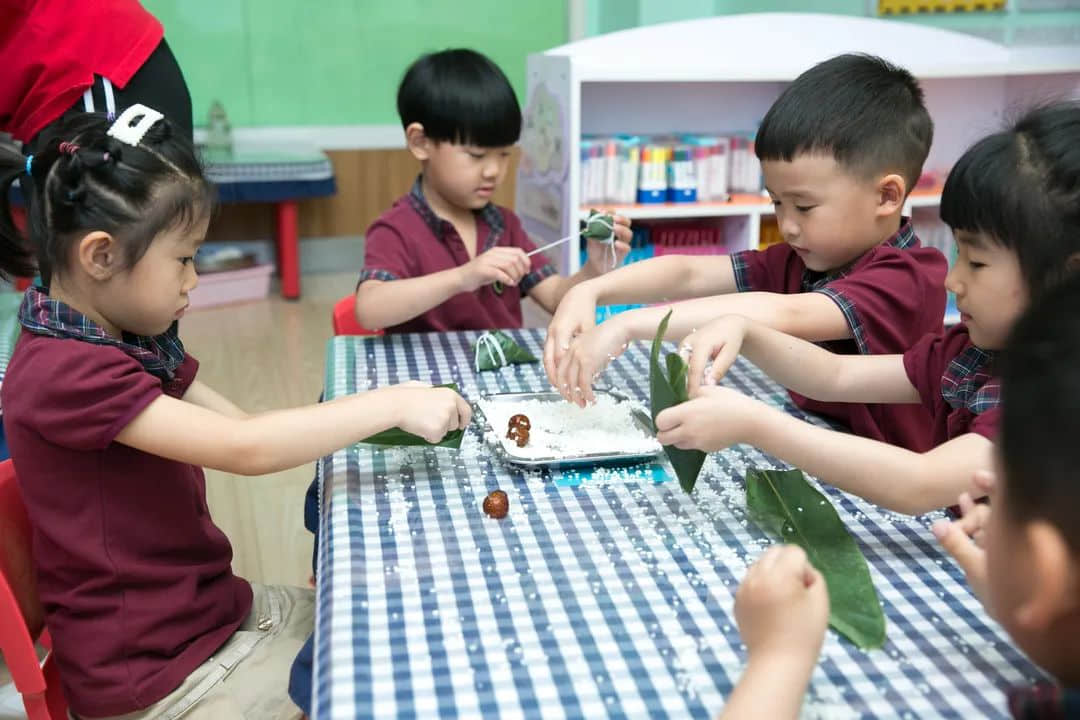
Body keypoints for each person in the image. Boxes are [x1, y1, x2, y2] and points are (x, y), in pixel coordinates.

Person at [0, 106, 470, 720]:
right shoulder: (66, 372)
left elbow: (243, 424)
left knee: (394, 630)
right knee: (392, 689)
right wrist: (393, 402)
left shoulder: (117, 335)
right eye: (184, 259)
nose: (193, 279)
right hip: (157, 677)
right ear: (100, 255)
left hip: (210, 617)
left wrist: (364, 416)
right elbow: (245, 447)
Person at [658, 102, 1080, 515]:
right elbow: (835, 376)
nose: (954, 280)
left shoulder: (1050, 403)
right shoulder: (973, 357)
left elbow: (921, 483)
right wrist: (743, 329)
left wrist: (756, 425)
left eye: (979, 262)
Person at [545, 53, 945, 453]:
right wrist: (590, 292)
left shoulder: (908, 277)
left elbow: (789, 313)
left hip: (886, 473)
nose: (787, 225)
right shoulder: (803, 255)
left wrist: (625, 324)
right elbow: (687, 274)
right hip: (816, 447)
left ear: (886, 195)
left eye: (803, 206)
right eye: (776, 203)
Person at [354, 48, 630, 334]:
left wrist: (594, 268)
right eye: (476, 155)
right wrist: (463, 277)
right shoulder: (397, 229)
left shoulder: (504, 225)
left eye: (503, 154)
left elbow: (556, 297)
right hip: (426, 379)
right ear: (421, 142)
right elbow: (369, 310)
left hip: (498, 376)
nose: (493, 171)